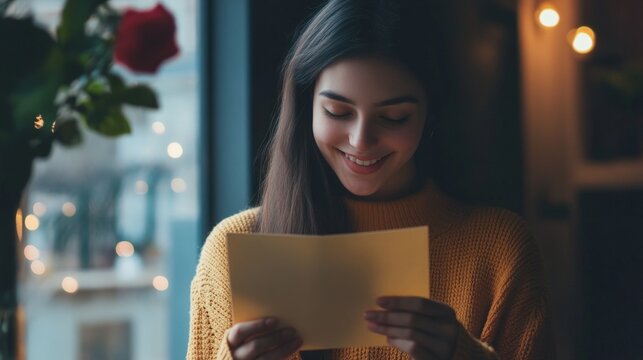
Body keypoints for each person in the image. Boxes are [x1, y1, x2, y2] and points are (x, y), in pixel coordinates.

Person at [187, 0, 555, 359]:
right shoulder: (232, 251)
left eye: (394, 117)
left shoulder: (498, 248)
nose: (361, 140)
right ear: (306, 106)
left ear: (430, 114)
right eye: (337, 111)